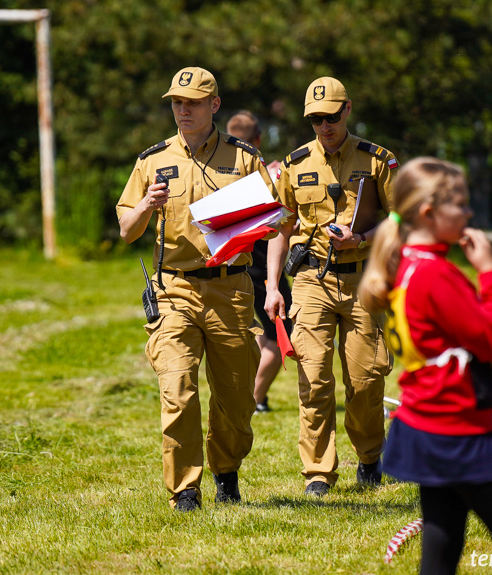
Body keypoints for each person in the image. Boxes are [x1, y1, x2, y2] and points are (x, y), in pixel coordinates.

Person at [358, 157, 492, 574]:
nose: (469, 212)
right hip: (456, 432)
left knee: (442, 541)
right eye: (459, 203)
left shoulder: (405, 265)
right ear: (429, 212)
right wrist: (491, 272)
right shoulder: (436, 275)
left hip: (423, 424)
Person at [116, 67, 274, 512]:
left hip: (231, 291)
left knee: (237, 399)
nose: (182, 110)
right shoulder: (151, 160)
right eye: (176, 103)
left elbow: (270, 222)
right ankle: (185, 489)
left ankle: (226, 470)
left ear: (214, 106)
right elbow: (127, 230)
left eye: (193, 102)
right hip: (174, 291)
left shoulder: (244, 158)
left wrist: (260, 222)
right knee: (178, 388)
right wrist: (146, 205)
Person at [264, 76, 397, 495]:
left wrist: (361, 238)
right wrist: (272, 287)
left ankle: (370, 458)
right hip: (309, 280)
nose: (324, 126)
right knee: (314, 378)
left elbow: (400, 220)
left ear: (348, 110)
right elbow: (280, 230)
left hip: (364, 278)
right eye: (316, 119)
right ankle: (318, 473)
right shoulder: (295, 164)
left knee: (365, 381)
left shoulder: (378, 160)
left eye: (331, 117)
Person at [225, 110, 292, 414]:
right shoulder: (266, 176)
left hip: (235, 268)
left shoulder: (220, 174)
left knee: (264, 335)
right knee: (282, 337)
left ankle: (253, 398)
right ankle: (253, 399)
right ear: (259, 139)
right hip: (264, 269)